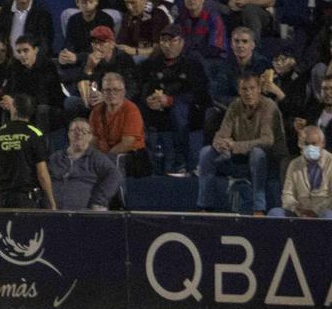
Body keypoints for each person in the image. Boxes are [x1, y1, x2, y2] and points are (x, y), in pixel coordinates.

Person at [197, 72, 279, 214]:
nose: (248, 93)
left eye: (252, 88)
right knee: (206, 152)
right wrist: (220, 143)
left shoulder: (268, 106)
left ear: (259, 89)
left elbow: (267, 140)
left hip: (261, 161)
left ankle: (258, 208)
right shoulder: (235, 105)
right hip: (235, 159)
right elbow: (222, 133)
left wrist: (236, 146)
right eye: (244, 89)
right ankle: (205, 206)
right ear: (239, 91)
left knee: (257, 153)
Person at [139, 27, 207, 176]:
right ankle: (145, 163)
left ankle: (180, 161)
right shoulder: (153, 63)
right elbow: (144, 87)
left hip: (189, 110)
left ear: (181, 42)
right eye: (163, 41)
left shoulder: (193, 62)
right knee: (139, 108)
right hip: (159, 108)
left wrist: (171, 100)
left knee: (179, 110)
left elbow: (199, 94)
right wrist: (149, 99)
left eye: (171, 40)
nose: (167, 45)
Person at [0, 93, 56, 210]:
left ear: (14, 108)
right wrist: (51, 201)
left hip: (3, 198)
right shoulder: (35, 134)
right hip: (27, 198)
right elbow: (42, 173)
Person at [48, 119, 123, 212]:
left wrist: (99, 201)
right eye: (75, 130)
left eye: (84, 131)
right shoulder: (56, 157)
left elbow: (115, 175)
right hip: (53, 211)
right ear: (68, 134)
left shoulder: (96, 157)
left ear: (90, 137)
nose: (79, 134)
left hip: (83, 213)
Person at [88, 71, 147, 178]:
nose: (111, 94)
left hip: (129, 158)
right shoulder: (96, 112)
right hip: (104, 157)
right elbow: (93, 141)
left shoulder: (131, 110)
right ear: (102, 92)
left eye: (116, 90)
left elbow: (127, 144)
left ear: (123, 92)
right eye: (107, 90)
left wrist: (104, 159)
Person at [271, 125, 332, 218]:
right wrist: (296, 209)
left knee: (328, 216)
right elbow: (287, 194)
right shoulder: (294, 164)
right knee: (275, 213)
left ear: (323, 143)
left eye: (314, 143)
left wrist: (316, 211)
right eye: (307, 144)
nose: (310, 147)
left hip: (324, 211)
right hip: (300, 212)